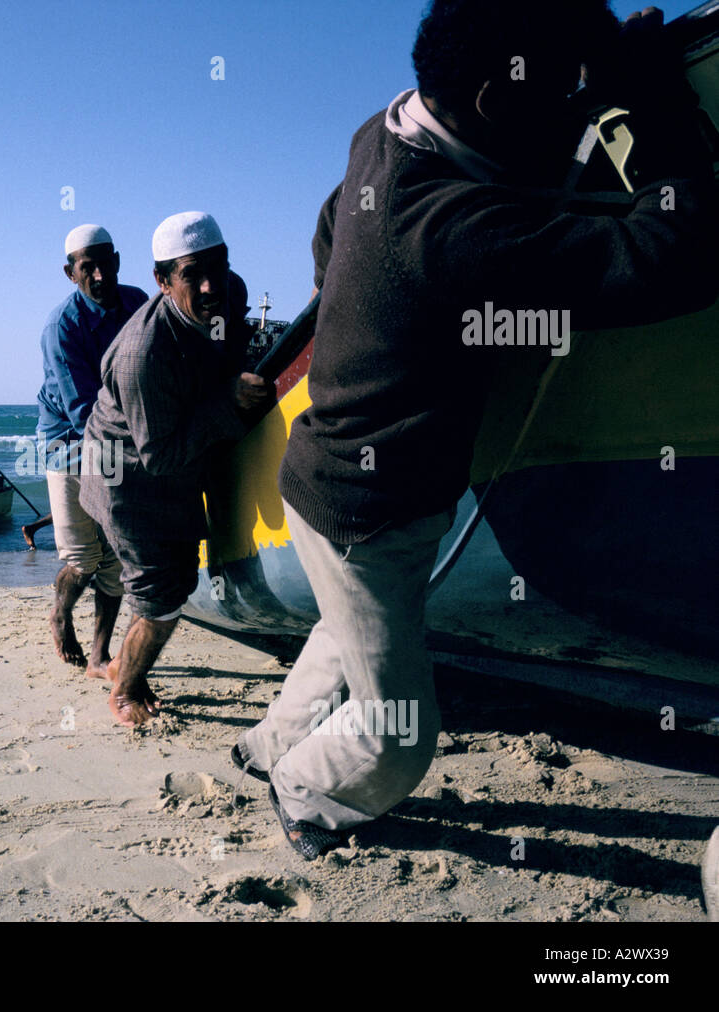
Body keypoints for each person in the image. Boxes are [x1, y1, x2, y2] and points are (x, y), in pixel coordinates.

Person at [236, 0, 719, 860]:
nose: (574, 102)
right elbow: (673, 254)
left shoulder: (380, 134)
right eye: (562, 86)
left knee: (346, 633)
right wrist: (646, 99)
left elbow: (326, 228)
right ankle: (305, 790)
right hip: (368, 514)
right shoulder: (449, 235)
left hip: (333, 483)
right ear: (496, 100)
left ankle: (265, 744)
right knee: (398, 735)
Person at [80, 212, 275, 726]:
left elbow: (227, 346)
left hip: (171, 450)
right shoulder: (144, 354)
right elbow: (160, 456)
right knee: (163, 591)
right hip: (125, 470)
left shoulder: (228, 291)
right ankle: (124, 688)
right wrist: (226, 402)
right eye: (192, 274)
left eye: (218, 267)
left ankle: (120, 660)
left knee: (176, 572)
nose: (211, 285)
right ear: (163, 283)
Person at [36, 225, 148, 676]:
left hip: (121, 438)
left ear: (119, 260)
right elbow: (83, 410)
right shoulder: (61, 328)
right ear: (70, 273)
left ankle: (100, 655)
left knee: (117, 560)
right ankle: (61, 614)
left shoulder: (139, 303)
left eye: (107, 263)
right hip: (68, 442)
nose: (100, 275)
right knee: (82, 559)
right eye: (88, 267)